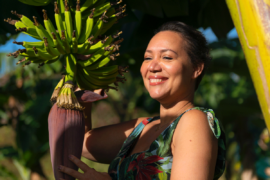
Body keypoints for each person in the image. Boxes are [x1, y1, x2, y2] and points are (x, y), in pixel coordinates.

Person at [58, 21, 226, 180]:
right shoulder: (143, 127)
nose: (153, 67)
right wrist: (84, 77)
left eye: (167, 57)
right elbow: (79, 142)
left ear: (196, 68)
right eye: (147, 58)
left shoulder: (193, 121)